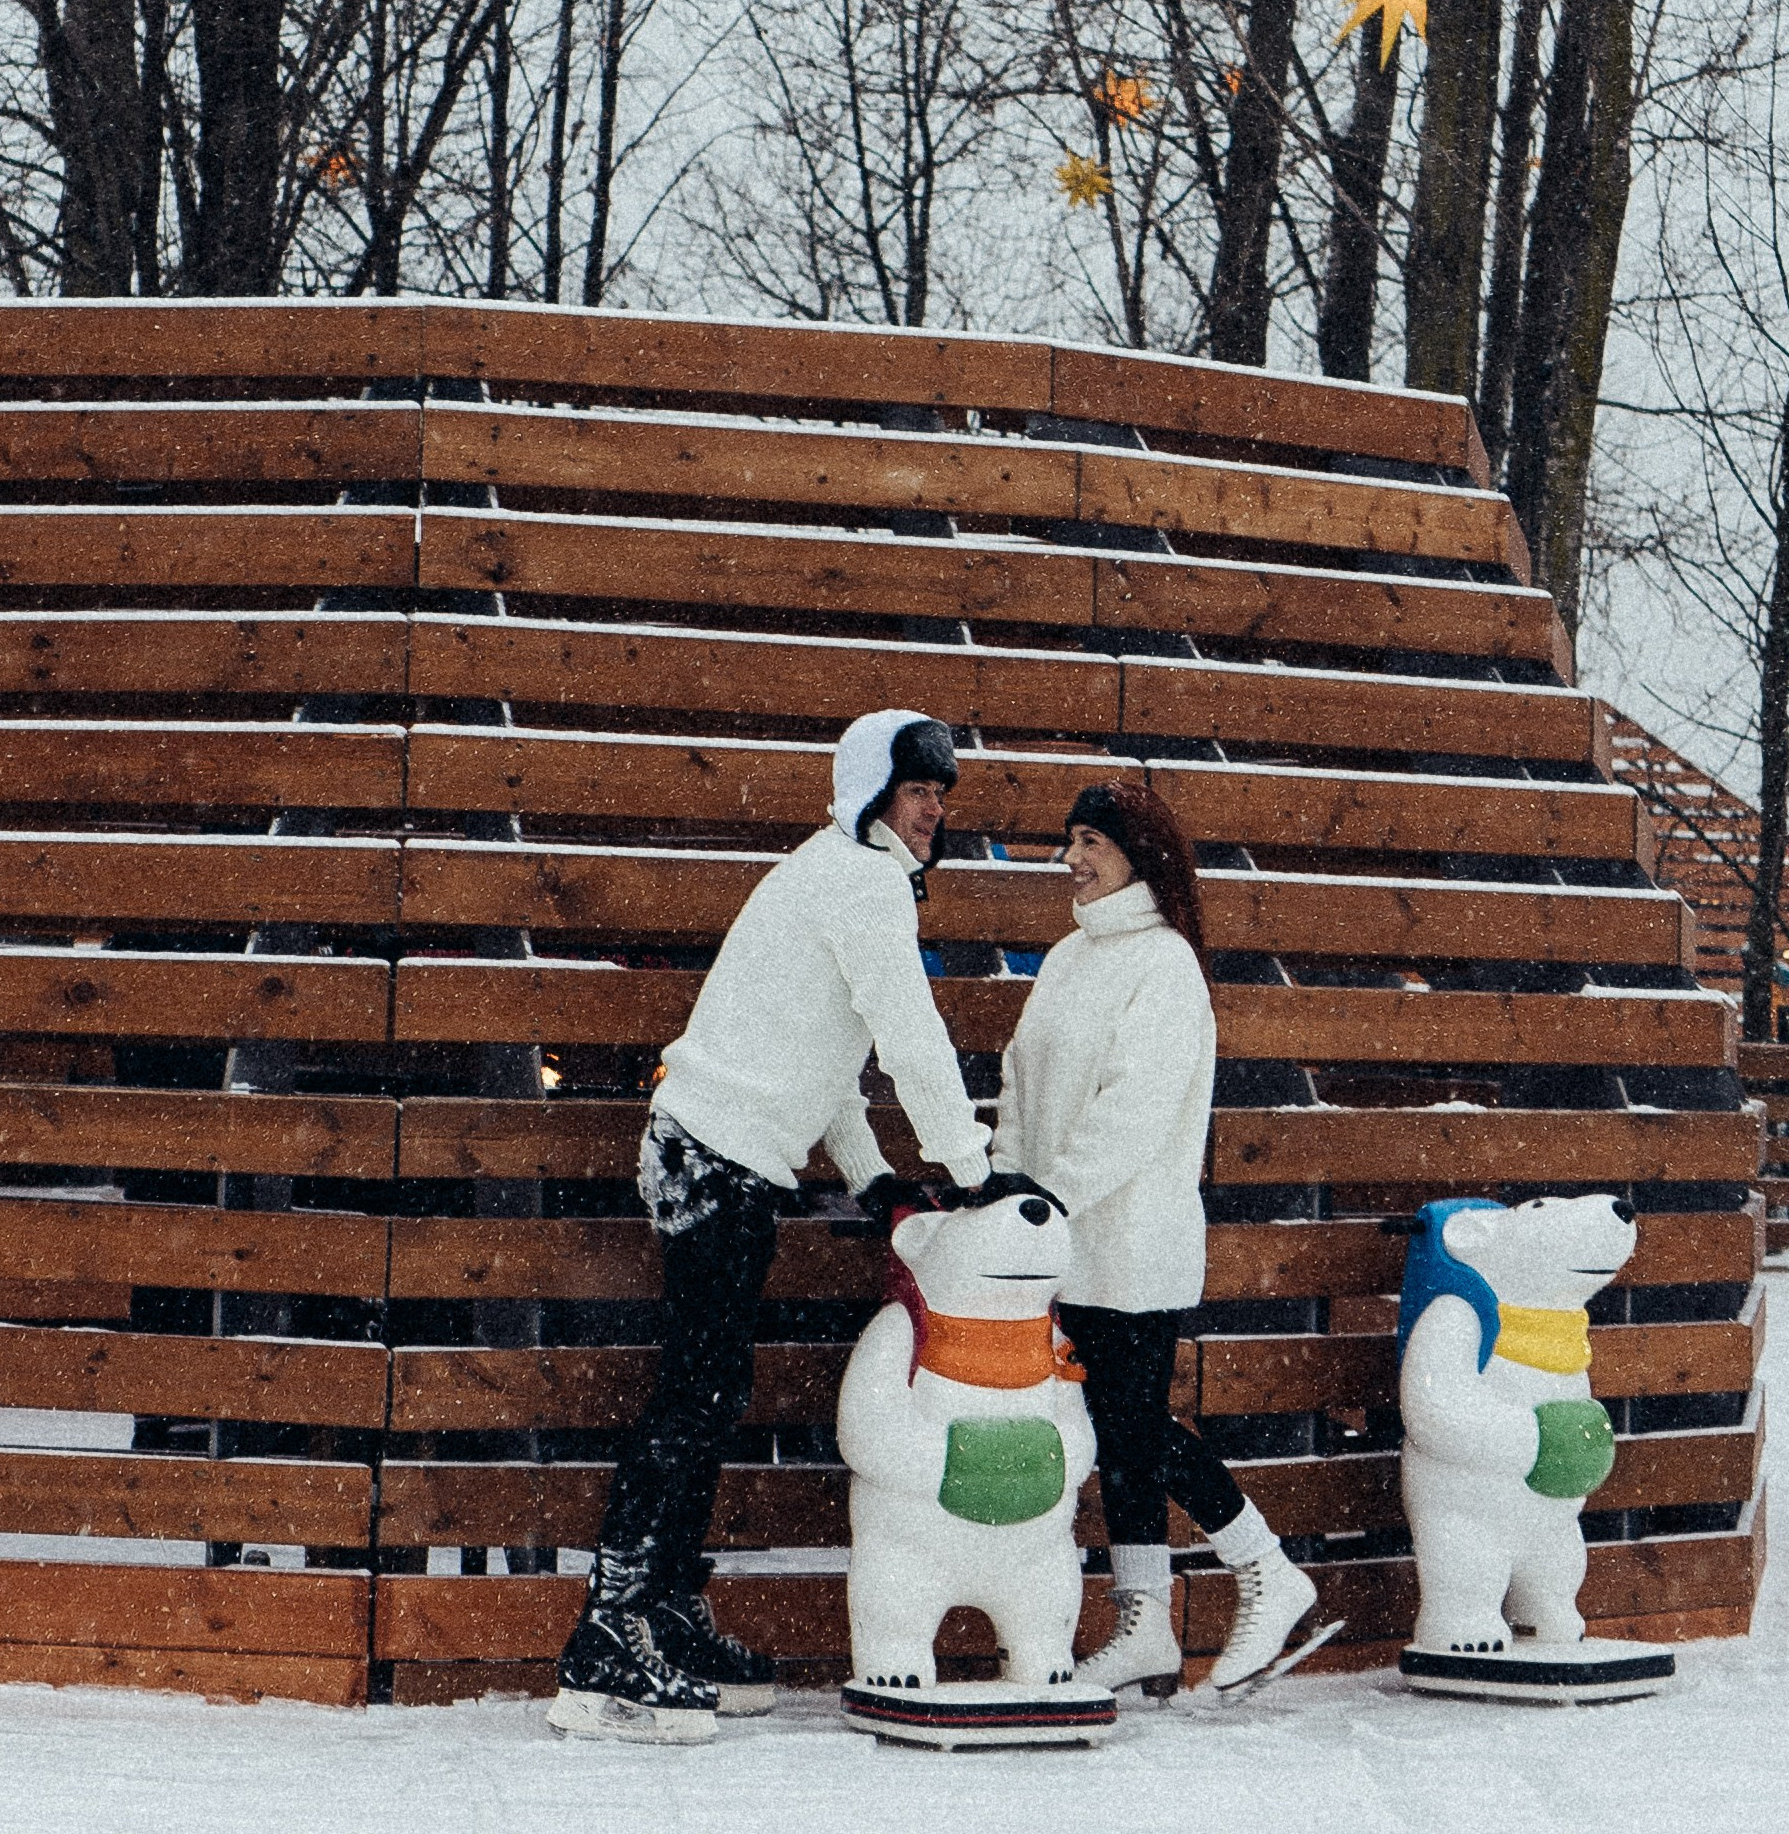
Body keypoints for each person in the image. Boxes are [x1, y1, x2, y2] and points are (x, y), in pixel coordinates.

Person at [550, 706, 993, 1744]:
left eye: (940, 793)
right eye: (916, 788)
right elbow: (908, 1037)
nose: (932, 808)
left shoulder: (835, 871)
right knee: (693, 1394)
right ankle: (609, 1634)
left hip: (713, 1152)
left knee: (709, 1391)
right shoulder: (860, 880)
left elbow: (823, 1053)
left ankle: (661, 1606)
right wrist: (972, 1165)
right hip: (715, 1154)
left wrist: (875, 1179)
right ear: (871, 790)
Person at [989, 779, 1321, 1698]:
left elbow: (1131, 1114)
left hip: (1131, 1243)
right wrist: (1010, 1183)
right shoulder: (1067, 958)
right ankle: (1145, 1624)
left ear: (1138, 854)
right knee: (1115, 1436)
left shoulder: (1165, 965)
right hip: (1056, 1242)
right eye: (1069, 841)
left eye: (1090, 842)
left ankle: (1265, 1568)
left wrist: (1047, 1197)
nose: (1071, 859)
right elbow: (1019, 1079)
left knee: (1134, 1425)